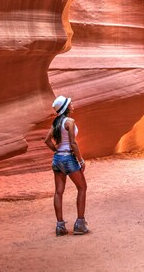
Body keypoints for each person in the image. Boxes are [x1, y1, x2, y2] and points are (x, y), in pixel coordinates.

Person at [44, 95, 89, 236]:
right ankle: (80, 224)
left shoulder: (56, 122)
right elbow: (73, 143)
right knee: (82, 188)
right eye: (70, 103)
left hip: (57, 159)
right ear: (66, 107)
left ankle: (60, 226)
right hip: (68, 158)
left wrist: (56, 151)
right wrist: (80, 160)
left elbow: (47, 140)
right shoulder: (69, 121)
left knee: (59, 191)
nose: (72, 104)